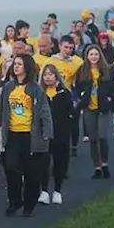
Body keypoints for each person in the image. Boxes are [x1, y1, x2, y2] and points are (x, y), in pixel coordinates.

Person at [0, 54, 54, 217]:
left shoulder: (35, 89)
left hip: (31, 136)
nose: (16, 66)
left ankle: (29, 204)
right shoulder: (8, 87)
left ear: (27, 67)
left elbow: (45, 113)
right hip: (12, 135)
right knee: (11, 169)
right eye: (15, 64)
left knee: (31, 173)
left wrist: (47, 133)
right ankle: (14, 201)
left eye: (19, 64)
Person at [74, 45, 114, 179]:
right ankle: (97, 167)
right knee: (93, 139)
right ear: (87, 56)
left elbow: (113, 87)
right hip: (88, 107)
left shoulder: (107, 70)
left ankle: (105, 164)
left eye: (96, 54)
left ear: (100, 56)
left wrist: (109, 99)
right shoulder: (82, 70)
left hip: (103, 107)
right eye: (91, 54)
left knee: (102, 136)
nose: (94, 57)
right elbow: (77, 87)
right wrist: (81, 97)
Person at [39, 63, 72, 204]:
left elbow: (71, 113)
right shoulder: (39, 93)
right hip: (43, 134)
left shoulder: (64, 94)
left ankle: (57, 191)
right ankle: (44, 191)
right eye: (45, 74)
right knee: (43, 163)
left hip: (61, 134)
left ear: (56, 76)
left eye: (50, 74)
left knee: (59, 163)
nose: (48, 77)